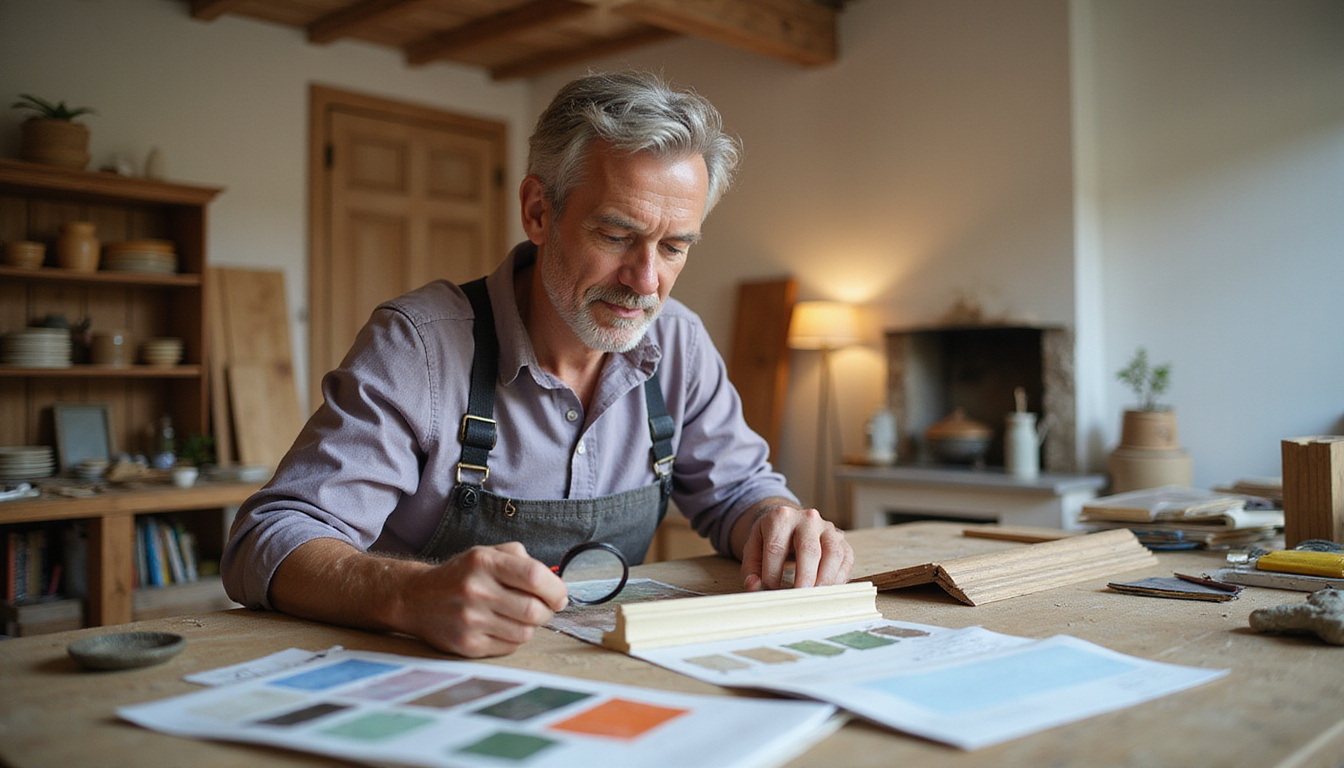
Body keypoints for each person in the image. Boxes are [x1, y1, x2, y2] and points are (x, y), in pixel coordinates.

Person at [221, 70, 853, 659]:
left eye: (674, 246)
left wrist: (776, 522)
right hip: (425, 678)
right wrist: (407, 595)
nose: (646, 280)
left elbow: (738, 491)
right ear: (538, 212)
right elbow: (266, 538)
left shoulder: (679, 343)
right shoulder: (419, 346)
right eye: (615, 235)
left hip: (600, 673)